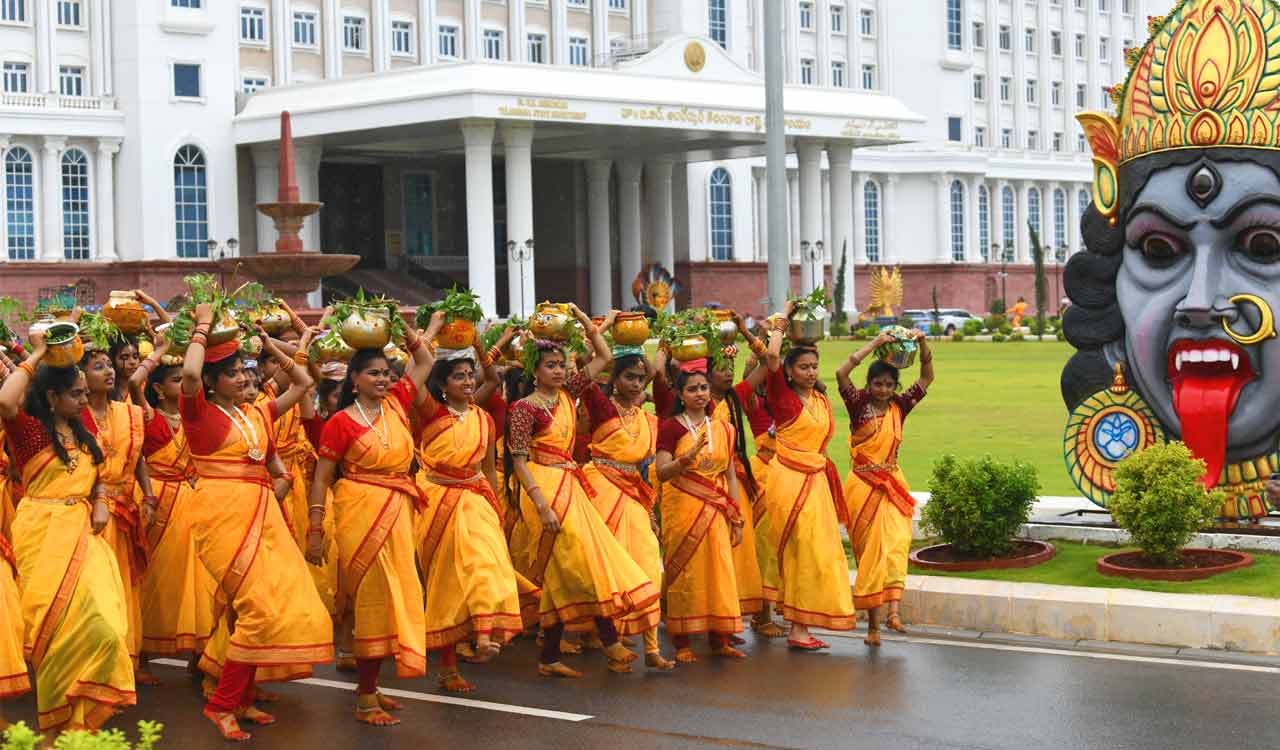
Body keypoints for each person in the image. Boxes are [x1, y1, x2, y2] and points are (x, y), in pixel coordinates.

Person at [181, 305, 332, 741]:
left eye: (247, 371)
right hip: (221, 515)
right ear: (212, 381)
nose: (245, 379)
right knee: (256, 610)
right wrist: (202, 327)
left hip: (263, 514)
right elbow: (189, 377)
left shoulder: (258, 412)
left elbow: (305, 382)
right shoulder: (198, 414)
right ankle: (221, 704)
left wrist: (268, 345)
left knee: (263, 606)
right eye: (233, 373)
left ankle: (241, 699)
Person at [506, 305, 661, 677]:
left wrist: (583, 322)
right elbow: (519, 460)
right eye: (550, 365)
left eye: (562, 365)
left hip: (571, 483)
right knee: (576, 558)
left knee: (576, 563)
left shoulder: (566, 395)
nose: (559, 371)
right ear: (534, 370)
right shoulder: (524, 409)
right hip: (542, 487)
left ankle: (552, 656)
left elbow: (606, 357)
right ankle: (607, 641)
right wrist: (541, 504)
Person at [0, 334, 135, 736]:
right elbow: (6, 402)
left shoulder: (85, 430)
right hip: (41, 531)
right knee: (53, 634)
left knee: (106, 627)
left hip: (84, 534)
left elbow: (98, 477)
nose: (83, 399)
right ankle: (60, 727)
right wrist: (39, 352)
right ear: (53, 397)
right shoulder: (30, 433)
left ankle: (84, 709)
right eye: (75, 393)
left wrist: (100, 500)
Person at [308, 322, 433, 726]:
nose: (384, 379)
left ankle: (373, 686)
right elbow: (323, 478)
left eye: (387, 372)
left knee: (400, 593)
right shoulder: (340, 422)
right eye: (374, 373)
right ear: (354, 379)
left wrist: (402, 328)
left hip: (398, 510)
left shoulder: (397, 403)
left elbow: (426, 359)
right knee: (372, 601)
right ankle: (364, 698)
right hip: (360, 511)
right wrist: (315, 528)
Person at [414, 327, 523, 691]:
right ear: (442, 384)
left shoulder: (483, 418)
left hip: (476, 499)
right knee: (446, 582)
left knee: (486, 565)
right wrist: (425, 339)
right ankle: (448, 666)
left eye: (468, 375)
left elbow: (489, 466)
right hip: (438, 500)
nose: (466, 380)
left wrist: (495, 504)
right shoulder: (431, 413)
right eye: (457, 376)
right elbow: (412, 386)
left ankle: (483, 632)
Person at [762, 310, 856, 649]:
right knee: (800, 549)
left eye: (814, 366)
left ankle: (799, 624)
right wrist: (782, 320)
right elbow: (771, 355)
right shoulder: (781, 396)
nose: (810, 372)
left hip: (816, 482)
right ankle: (797, 628)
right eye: (803, 367)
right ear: (789, 371)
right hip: (789, 481)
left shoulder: (819, 397)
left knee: (818, 551)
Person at [579, 348, 675, 671]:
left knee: (647, 566)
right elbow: (585, 379)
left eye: (639, 378)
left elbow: (658, 381)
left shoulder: (646, 418)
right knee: (613, 572)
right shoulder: (603, 406)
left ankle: (652, 648)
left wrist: (655, 352)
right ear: (615, 380)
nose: (635, 384)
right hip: (603, 490)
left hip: (633, 492)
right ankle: (613, 644)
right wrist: (594, 339)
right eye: (628, 377)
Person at [837, 330, 933, 646]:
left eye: (889, 385)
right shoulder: (857, 403)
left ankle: (894, 612)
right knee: (870, 556)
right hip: (862, 486)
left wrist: (921, 344)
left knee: (896, 545)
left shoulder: (899, 407)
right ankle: (873, 627)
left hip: (892, 484)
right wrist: (874, 346)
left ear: (896, 387)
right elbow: (841, 372)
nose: (883, 389)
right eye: (878, 384)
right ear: (869, 384)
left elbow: (926, 378)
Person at [128, 339, 217, 667]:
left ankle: (200, 654)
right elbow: (134, 382)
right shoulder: (149, 414)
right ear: (159, 388)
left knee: (199, 578)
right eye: (175, 380)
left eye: (184, 379)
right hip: (158, 502)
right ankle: (144, 654)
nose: (183, 384)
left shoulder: (196, 418)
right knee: (154, 576)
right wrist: (161, 348)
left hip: (192, 502)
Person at [655, 365, 746, 663]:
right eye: (692, 389)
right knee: (685, 572)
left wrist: (737, 516)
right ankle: (682, 641)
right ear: (680, 395)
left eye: (703, 388)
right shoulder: (671, 428)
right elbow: (661, 471)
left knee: (718, 570)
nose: (699, 394)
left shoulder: (723, 428)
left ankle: (719, 638)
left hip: (717, 507)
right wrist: (686, 459)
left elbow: (730, 474)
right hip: (682, 507)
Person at [80, 341, 157, 685]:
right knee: (94, 590)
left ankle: (128, 660)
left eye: (108, 365)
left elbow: (138, 456)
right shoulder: (71, 415)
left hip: (125, 508)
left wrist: (150, 496)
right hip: (88, 513)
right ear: (80, 375)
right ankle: (94, 665)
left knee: (126, 585)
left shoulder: (128, 413)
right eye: (98, 366)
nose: (110, 370)